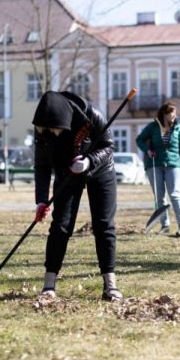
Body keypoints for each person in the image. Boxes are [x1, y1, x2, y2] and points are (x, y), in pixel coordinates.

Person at [31, 90, 121, 301]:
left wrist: (89, 161)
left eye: (55, 130)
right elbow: (42, 166)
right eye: (47, 130)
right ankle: (49, 284)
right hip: (66, 173)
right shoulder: (42, 128)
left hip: (101, 170)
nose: (51, 134)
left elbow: (108, 145)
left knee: (104, 225)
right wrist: (41, 200)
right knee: (61, 226)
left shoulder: (92, 116)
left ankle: (110, 285)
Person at [135, 103, 180, 237]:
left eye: (175, 113)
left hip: (174, 164)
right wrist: (147, 150)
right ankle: (165, 225)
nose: (174, 115)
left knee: (175, 194)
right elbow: (139, 139)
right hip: (155, 164)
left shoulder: (179, 127)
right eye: (172, 113)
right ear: (164, 114)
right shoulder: (153, 126)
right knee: (159, 197)